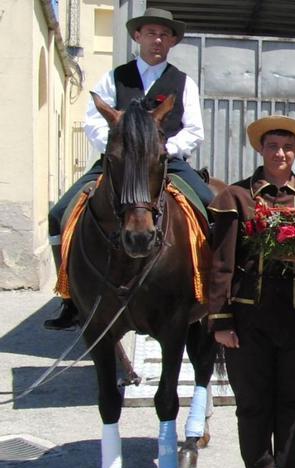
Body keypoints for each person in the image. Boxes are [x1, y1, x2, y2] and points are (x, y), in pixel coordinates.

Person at [45, 8, 213, 330]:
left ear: (172, 41)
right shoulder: (114, 78)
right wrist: (115, 149)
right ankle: (70, 298)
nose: (157, 40)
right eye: (151, 33)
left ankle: (211, 291)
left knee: (213, 208)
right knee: (58, 214)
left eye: (164, 35)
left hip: (166, 163)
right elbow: (95, 121)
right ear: (137, 37)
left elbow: (194, 130)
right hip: (118, 162)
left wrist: (162, 151)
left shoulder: (182, 82)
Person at [207, 115, 295, 468]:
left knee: (293, 404)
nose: (280, 153)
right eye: (272, 146)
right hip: (248, 322)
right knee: (251, 406)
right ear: (260, 150)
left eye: (287, 146)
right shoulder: (235, 198)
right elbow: (220, 263)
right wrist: (220, 320)